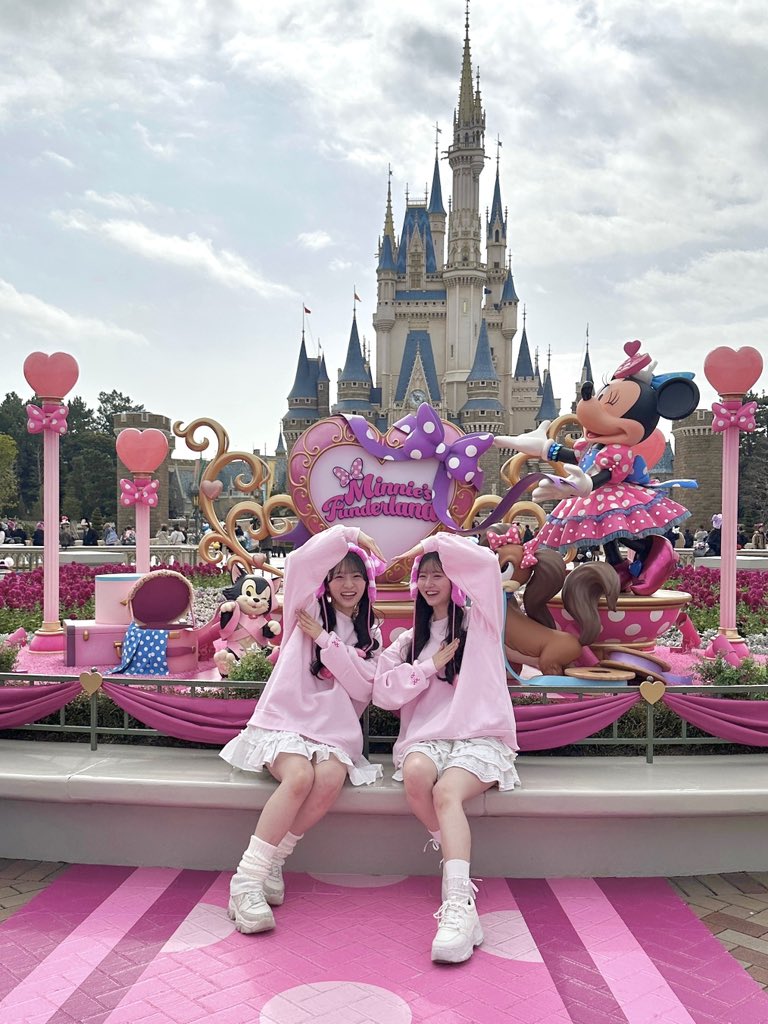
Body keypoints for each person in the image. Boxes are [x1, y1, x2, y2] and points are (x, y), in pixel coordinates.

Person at [220, 525, 385, 935]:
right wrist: (351, 534)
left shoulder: (371, 633)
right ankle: (247, 881)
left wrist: (327, 642)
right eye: (339, 576)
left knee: (328, 778)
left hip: (332, 733)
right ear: (326, 581)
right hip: (286, 721)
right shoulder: (304, 608)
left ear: (367, 582)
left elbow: (364, 687)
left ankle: (275, 859)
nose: (348, 584)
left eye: (356, 576)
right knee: (299, 777)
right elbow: (300, 561)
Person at [373, 534, 518, 965]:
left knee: (446, 792)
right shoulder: (409, 640)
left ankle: (458, 905)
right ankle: (457, 860)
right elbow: (383, 692)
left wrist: (425, 545)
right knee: (417, 776)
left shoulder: (481, 622)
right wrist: (427, 667)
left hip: (477, 734)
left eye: (440, 574)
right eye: (425, 576)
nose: (430, 582)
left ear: (455, 578)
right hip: (428, 737)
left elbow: (486, 563)